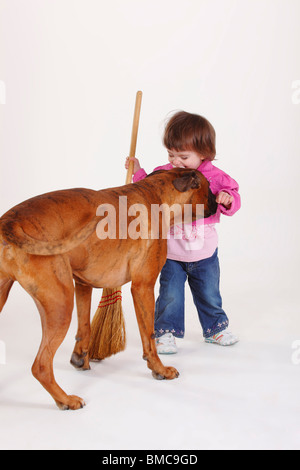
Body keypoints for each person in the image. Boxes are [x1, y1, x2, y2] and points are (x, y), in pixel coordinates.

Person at [125, 111, 241, 354]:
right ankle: (166, 332)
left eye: (184, 157)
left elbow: (234, 197)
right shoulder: (165, 173)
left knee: (209, 293)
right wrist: (137, 171)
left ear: (204, 154)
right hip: (171, 251)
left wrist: (227, 199)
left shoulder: (216, 177)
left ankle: (215, 328)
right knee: (170, 295)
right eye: (171, 154)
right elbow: (147, 188)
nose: (176, 162)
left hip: (204, 252)